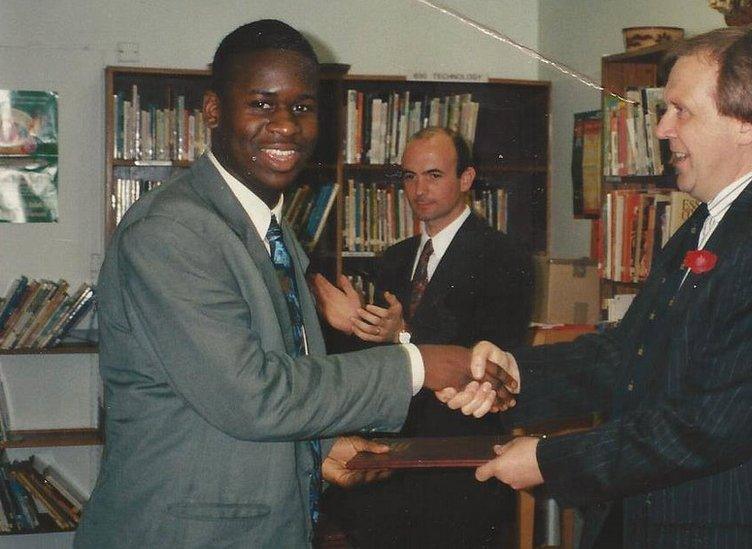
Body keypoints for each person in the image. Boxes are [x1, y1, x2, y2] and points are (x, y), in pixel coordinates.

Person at [74, 20, 513, 548]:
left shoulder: (270, 229)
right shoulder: (173, 231)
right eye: (261, 104)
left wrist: (321, 447)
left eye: (302, 108)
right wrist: (419, 364)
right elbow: (251, 394)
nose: (285, 125)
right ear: (213, 110)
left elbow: (266, 381)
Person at [442, 26, 752, 548]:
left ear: (747, 123)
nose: (661, 130)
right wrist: (517, 373)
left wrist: (549, 460)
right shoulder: (714, 222)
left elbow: (711, 425)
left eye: (682, 111)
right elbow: (632, 353)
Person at [311, 127, 533, 547]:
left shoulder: (505, 258)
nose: (418, 189)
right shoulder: (393, 259)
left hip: (458, 464)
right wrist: (350, 323)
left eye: (433, 175)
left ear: (466, 179)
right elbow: (369, 360)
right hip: (388, 458)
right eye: (409, 177)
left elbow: (488, 363)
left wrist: (404, 333)